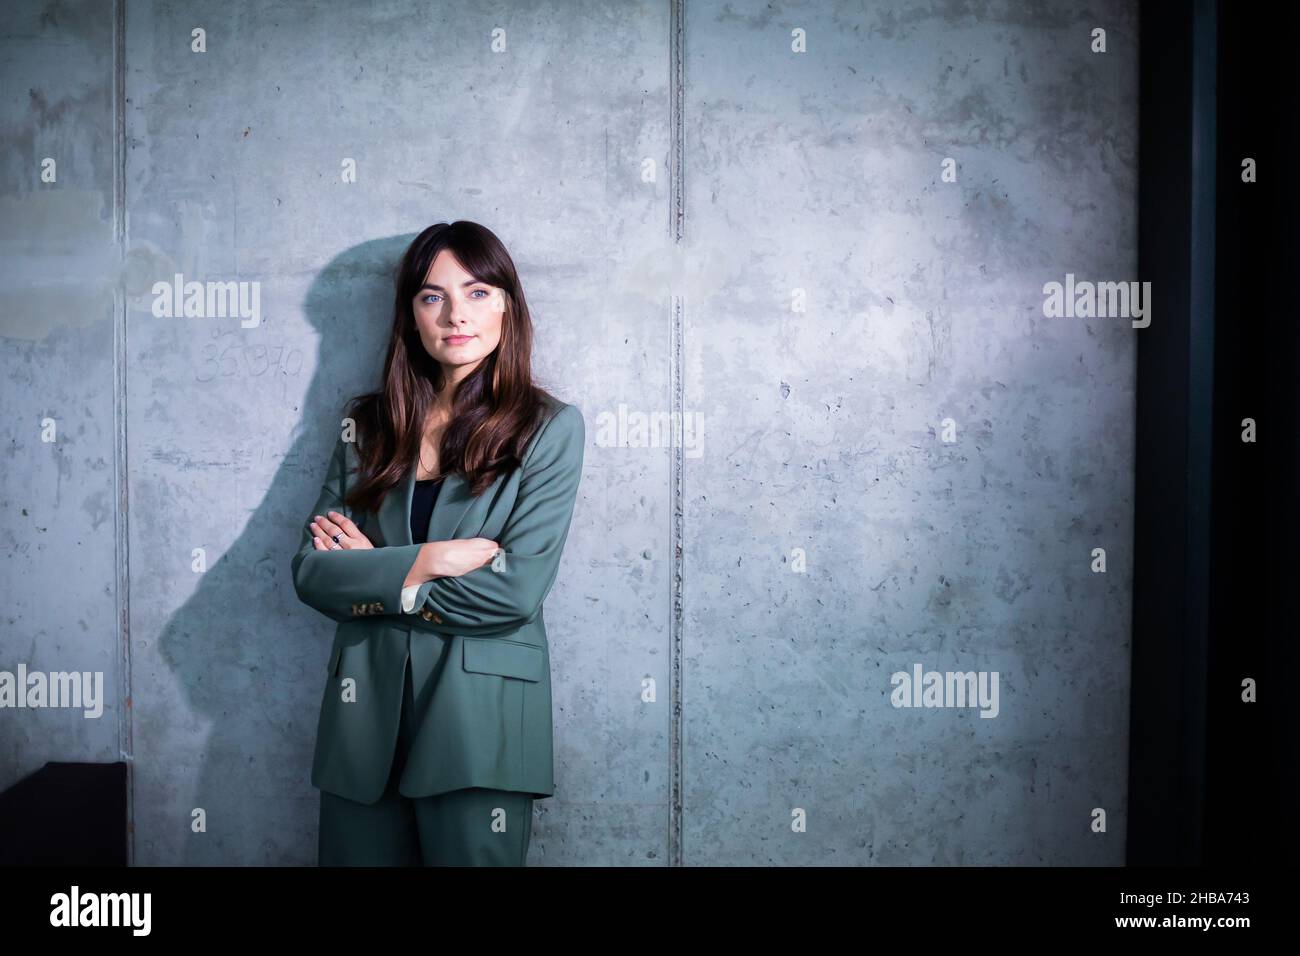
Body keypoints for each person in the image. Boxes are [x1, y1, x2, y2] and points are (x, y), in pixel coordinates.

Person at [291, 221, 585, 866]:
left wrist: (375, 576)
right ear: (411, 313)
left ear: (507, 304)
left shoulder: (548, 429)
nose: (455, 314)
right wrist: (426, 561)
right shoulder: (366, 424)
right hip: (363, 717)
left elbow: (515, 590)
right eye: (432, 296)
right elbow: (312, 572)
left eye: (477, 293)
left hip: (478, 719)